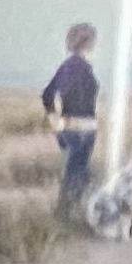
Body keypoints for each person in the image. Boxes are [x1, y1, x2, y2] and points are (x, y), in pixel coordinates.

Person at [43, 24, 102, 215]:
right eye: (92, 39)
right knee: (76, 176)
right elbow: (48, 95)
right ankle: (65, 214)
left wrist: (56, 122)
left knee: (80, 175)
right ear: (88, 42)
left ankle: (73, 214)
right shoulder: (74, 67)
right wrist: (56, 121)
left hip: (81, 129)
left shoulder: (76, 66)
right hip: (77, 129)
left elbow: (48, 95)